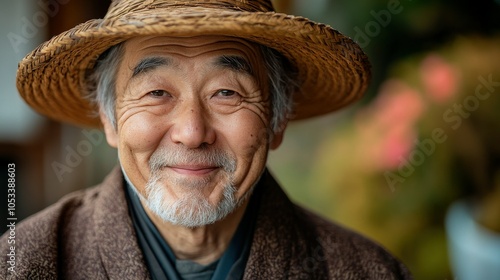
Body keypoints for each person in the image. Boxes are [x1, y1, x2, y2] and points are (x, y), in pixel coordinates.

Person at [1, 0, 412, 279]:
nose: (192, 132)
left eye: (226, 93)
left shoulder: (365, 270)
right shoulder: (25, 262)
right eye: (157, 93)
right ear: (110, 120)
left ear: (277, 119)